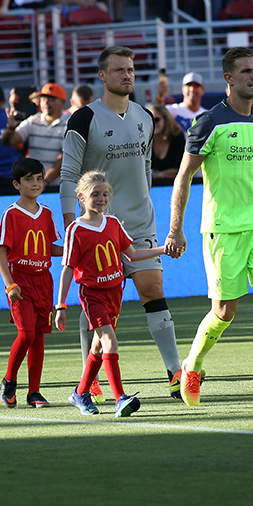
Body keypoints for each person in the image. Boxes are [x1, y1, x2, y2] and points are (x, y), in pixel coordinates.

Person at [165, 47, 253, 409]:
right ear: (228, 79)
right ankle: (192, 367)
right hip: (223, 229)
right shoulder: (209, 122)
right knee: (225, 311)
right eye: (245, 71)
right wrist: (175, 229)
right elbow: (184, 176)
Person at [60, 47, 184, 397]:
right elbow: (69, 175)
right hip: (97, 225)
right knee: (97, 303)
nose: (126, 75)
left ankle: (176, 374)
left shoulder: (145, 116)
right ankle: (92, 376)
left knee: (152, 290)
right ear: (102, 76)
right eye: (118, 70)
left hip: (140, 222)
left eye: (130, 69)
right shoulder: (83, 119)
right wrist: (73, 222)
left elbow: (145, 169)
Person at [56, 170, 169, 418]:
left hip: (115, 293)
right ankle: (120, 398)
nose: (101, 198)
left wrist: (164, 249)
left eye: (105, 194)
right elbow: (67, 269)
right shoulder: (76, 229)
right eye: (95, 194)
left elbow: (133, 255)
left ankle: (80, 392)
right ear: (81, 197)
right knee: (109, 341)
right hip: (92, 294)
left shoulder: (114, 223)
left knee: (98, 348)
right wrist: (60, 305)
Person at [0, 157, 63, 409]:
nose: (35, 183)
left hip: (44, 281)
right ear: (16, 184)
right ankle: (9, 380)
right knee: (25, 334)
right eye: (28, 179)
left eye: (39, 178)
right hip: (20, 282)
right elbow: (1, 251)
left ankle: (34, 392)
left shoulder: (46, 213)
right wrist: (10, 284)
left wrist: (71, 250)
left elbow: (49, 247)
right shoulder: (11, 214)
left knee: (39, 338)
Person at [3, 82, 68, 185]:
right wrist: (10, 128)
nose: (46, 103)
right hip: (36, 185)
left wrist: (45, 182)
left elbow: (64, 159)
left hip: (59, 186)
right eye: (43, 99)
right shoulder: (33, 121)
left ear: (63, 102)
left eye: (51, 99)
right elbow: (8, 141)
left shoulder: (70, 123)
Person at [150, 106, 184, 181]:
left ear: (166, 120)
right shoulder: (144, 140)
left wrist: (156, 175)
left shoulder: (177, 138)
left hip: (174, 185)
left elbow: (181, 169)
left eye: (156, 120)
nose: (153, 123)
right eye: (149, 120)